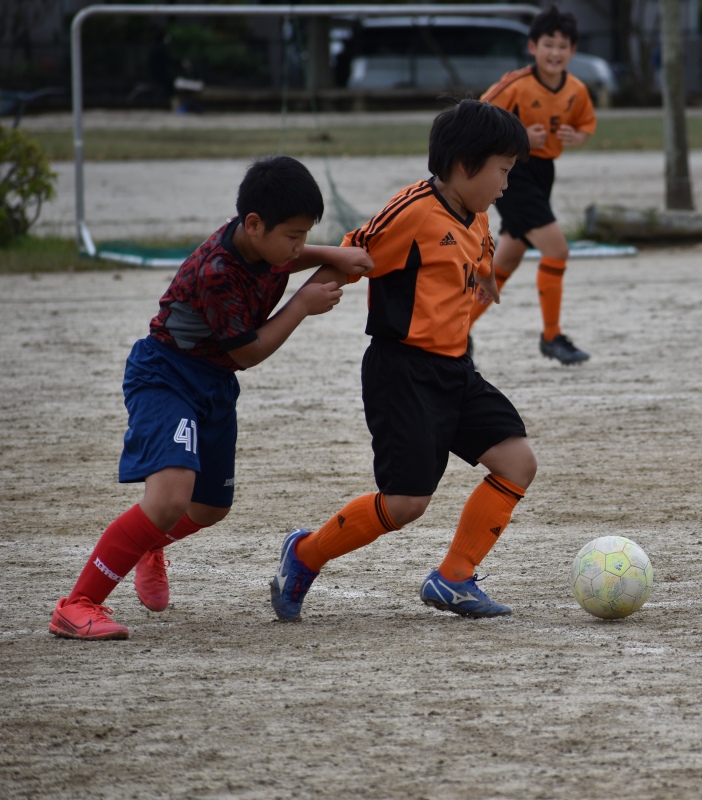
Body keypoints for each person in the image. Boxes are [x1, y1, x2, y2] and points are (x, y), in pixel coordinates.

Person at [49, 156, 373, 640]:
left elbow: (283, 256)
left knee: (209, 508)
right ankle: (77, 604)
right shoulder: (217, 271)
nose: (299, 246)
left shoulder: (261, 243)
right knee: (169, 499)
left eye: (306, 235)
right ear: (254, 223)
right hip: (169, 376)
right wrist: (301, 305)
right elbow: (250, 352)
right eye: (294, 235)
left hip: (214, 383)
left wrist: (332, 254)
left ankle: (148, 543)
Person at [269, 99, 536, 620]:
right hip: (403, 372)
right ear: (465, 166)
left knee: (517, 462)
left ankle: (453, 578)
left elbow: (478, 253)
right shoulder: (412, 213)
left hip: (454, 369)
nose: (506, 184)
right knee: (406, 503)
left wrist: (484, 278)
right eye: (503, 171)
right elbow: (353, 255)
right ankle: (305, 554)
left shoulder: (478, 213)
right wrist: (297, 305)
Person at [469, 4, 597, 365]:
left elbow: (586, 126)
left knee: (508, 258)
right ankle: (552, 336)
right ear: (532, 47)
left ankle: (456, 329)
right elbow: (478, 118)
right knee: (557, 249)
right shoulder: (516, 84)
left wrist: (578, 136)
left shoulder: (576, 89)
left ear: (573, 50)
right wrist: (521, 135)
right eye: (548, 44)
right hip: (512, 173)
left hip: (543, 173)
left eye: (563, 46)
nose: (555, 52)